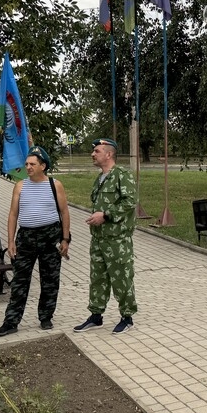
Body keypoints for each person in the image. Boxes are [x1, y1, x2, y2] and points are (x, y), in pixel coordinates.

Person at [0, 146, 71, 337]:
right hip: (25, 237)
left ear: (43, 166)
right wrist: (11, 241)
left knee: (50, 279)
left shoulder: (55, 185)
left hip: (50, 236)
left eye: (32, 164)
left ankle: (45, 317)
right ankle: (11, 321)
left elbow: (64, 212)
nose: (28, 167)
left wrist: (65, 238)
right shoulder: (20, 185)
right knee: (20, 281)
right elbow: (13, 214)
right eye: (26, 164)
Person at [73, 138, 138, 335]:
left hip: (117, 239)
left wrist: (106, 215)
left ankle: (127, 317)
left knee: (122, 278)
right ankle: (96, 315)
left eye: (97, 151)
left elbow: (130, 201)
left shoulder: (122, 175)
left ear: (108, 154)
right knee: (98, 279)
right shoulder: (100, 178)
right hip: (99, 238)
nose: (93, 154)